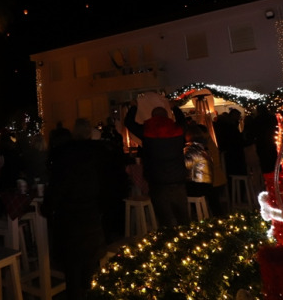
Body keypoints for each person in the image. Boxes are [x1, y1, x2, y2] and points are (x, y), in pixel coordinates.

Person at [41, 118, 118, 300]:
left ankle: (79, 293)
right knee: (90, 262)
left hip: (71, 217)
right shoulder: (100, 152)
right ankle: (90, 291)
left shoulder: (65, 155)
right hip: (92, 214)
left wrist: (47, 207)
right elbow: (109, 182)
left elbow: (58, 186)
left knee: (73, 267)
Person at [124, 102, 190, 228]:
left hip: (157, 180)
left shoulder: (146, 130)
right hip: (178, 179)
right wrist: (175, 108)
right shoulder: (178, 129)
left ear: (152, 117)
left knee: (165, 219)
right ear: (168, 116)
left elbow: (129, 123)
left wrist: (134, 107)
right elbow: (183, 121)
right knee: (183, 218)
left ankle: (168, 242)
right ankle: (188, 243)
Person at [184, 123, 215, 214]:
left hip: (197, 185)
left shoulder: (191, 149)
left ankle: (193, 217)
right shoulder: (204, 148)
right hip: (208, 184)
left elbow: (186, 165)